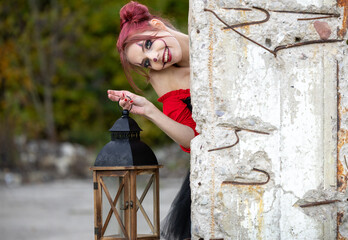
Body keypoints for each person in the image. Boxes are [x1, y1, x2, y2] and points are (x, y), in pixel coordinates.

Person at [107, 1, 197, 239]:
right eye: (146, 62)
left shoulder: (209, 31)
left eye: (149, 44)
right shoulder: (163, 78)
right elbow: (193, 141)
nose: (155, 59)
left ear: (157, 25)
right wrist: (148, 109)